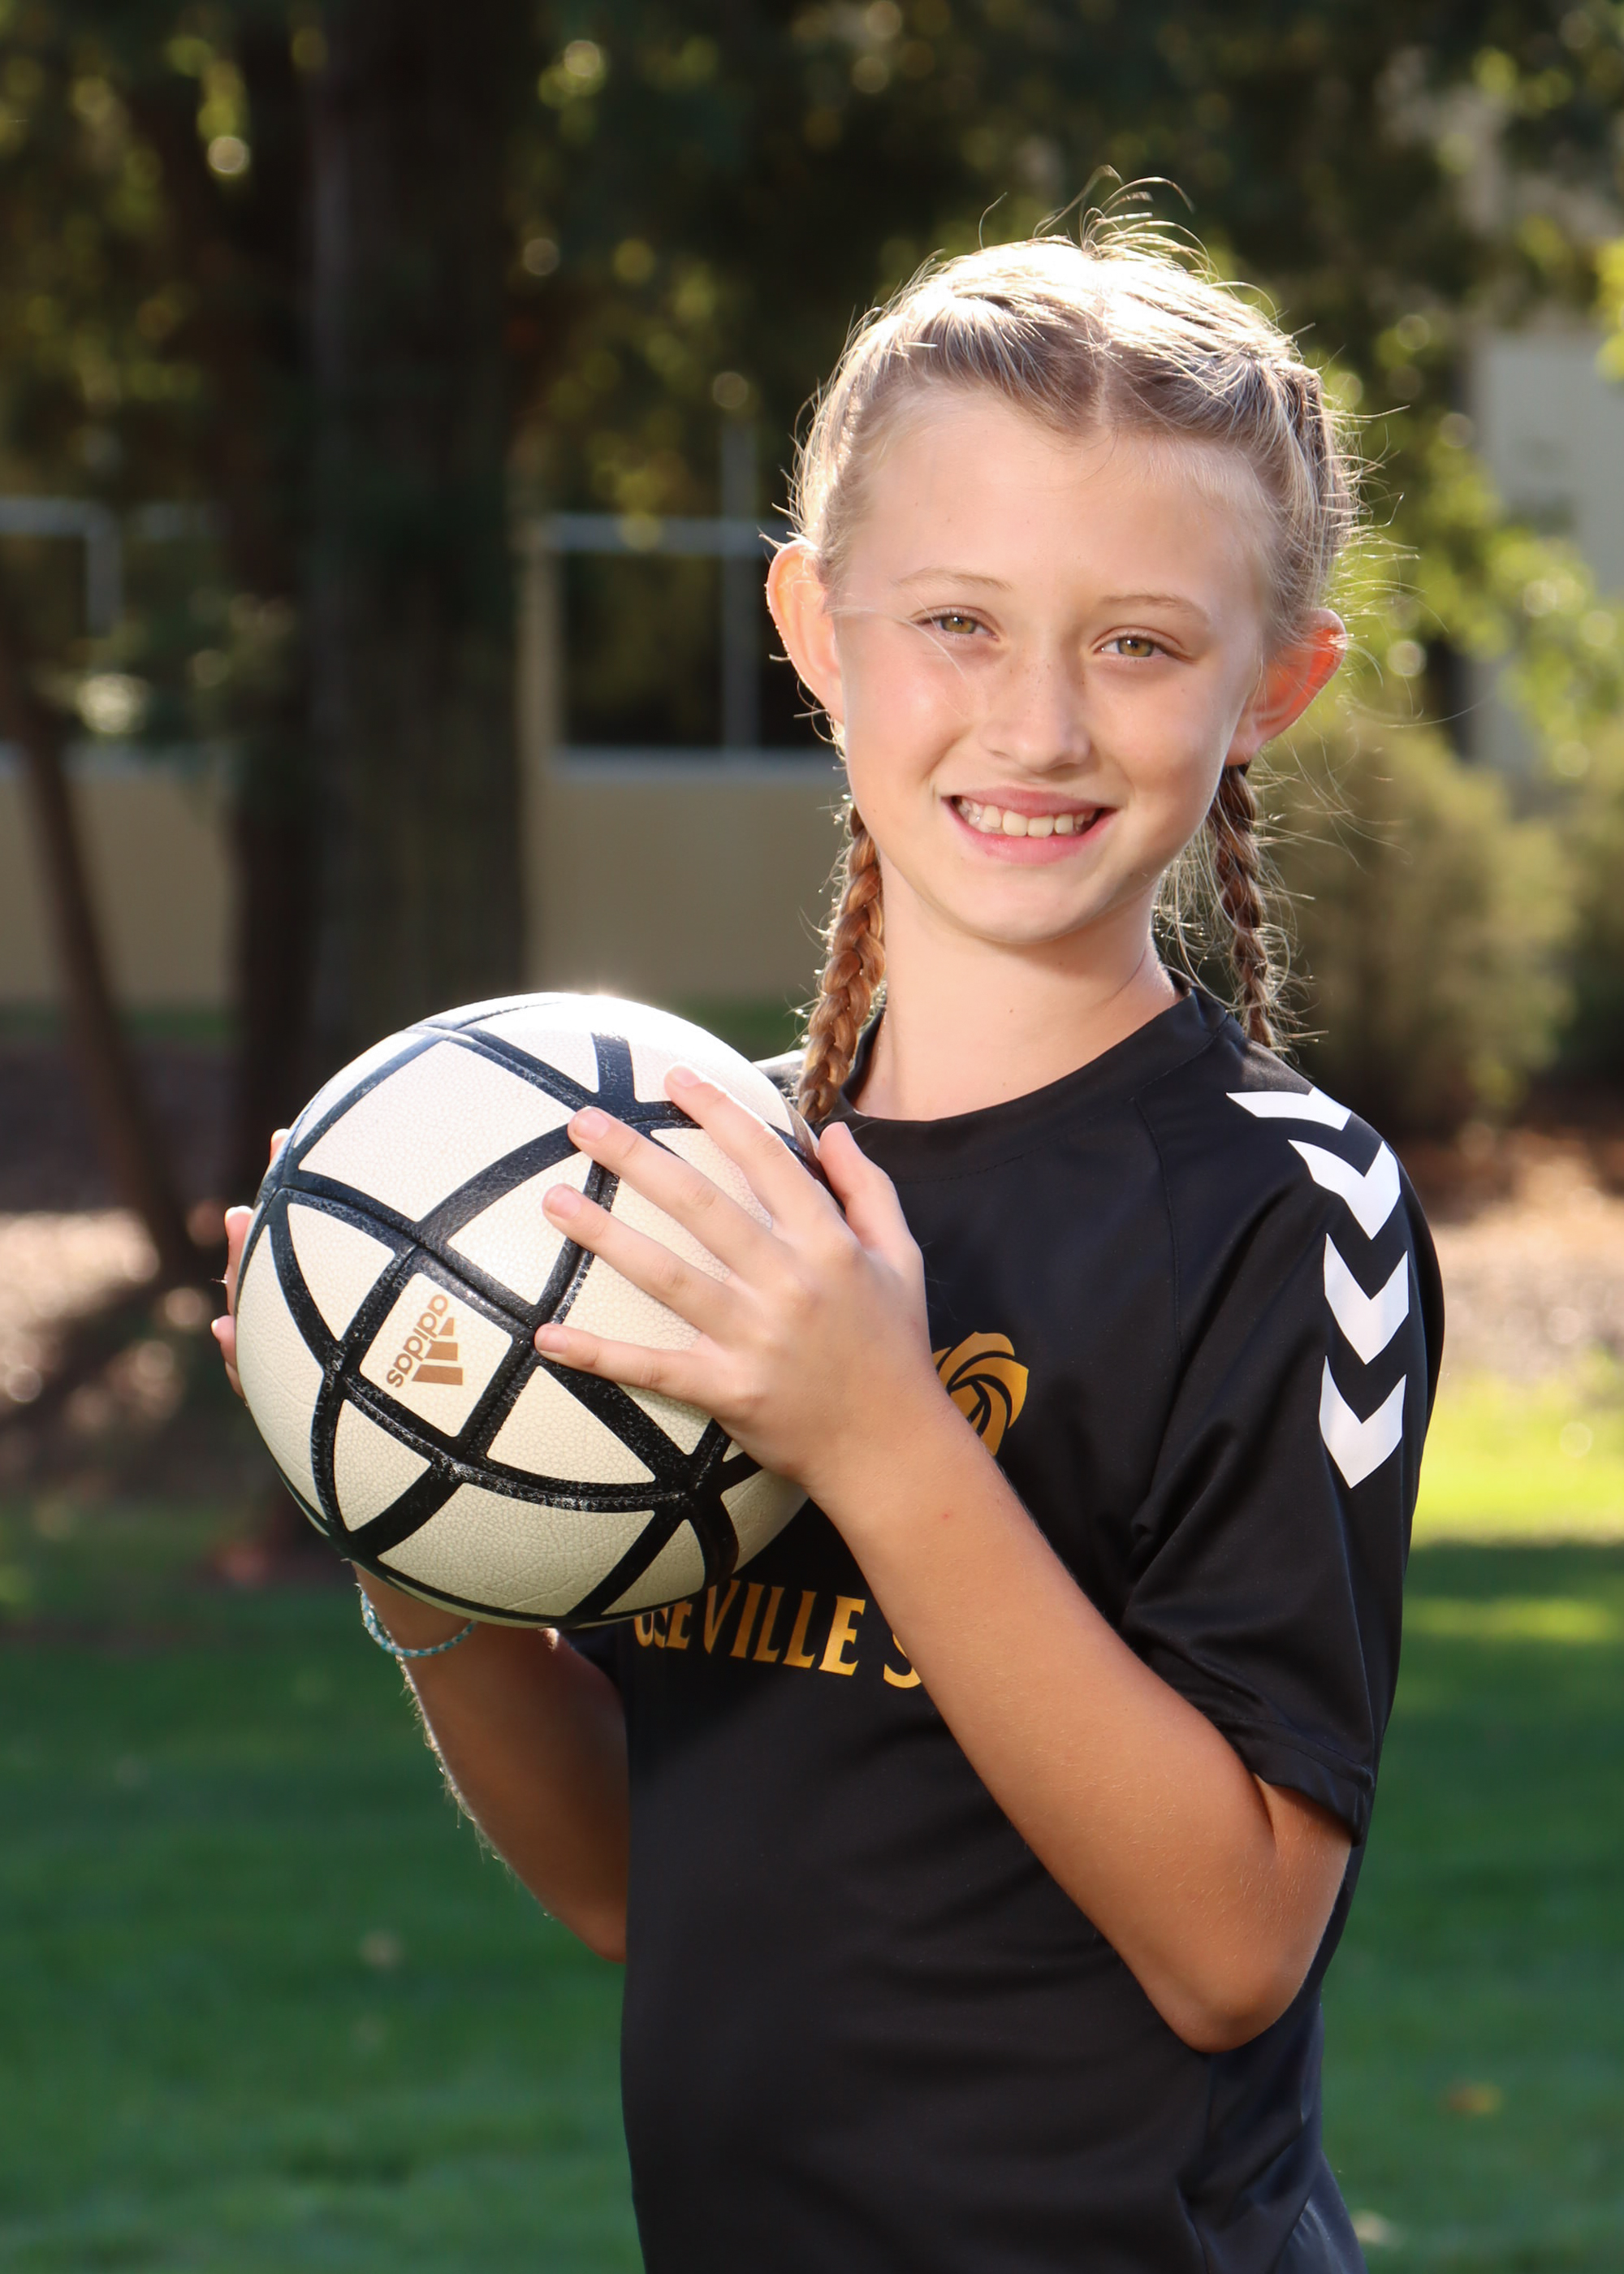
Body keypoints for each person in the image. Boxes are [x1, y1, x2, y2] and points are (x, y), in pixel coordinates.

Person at [217, 230, 1442, 2272]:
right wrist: (413, 1519)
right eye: (955, 619)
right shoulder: (711, 1182)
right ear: (812, 623)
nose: (1036, 721)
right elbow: (635, 1881)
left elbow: (1234, 1942)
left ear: (1273, 688)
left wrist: (876, 1429)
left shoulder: (1281, 1207)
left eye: (1138, 643)